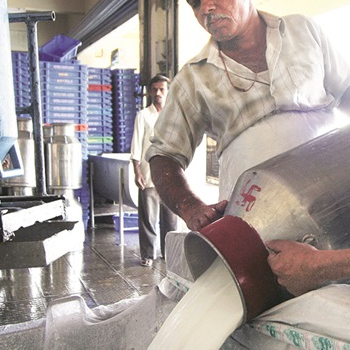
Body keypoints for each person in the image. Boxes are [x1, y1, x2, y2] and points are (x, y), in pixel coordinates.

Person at [146, 0, 350, 295]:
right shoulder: (193, 78)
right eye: (195, 4)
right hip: (257, 225)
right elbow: (163, 154)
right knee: (267, 302)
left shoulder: (304, 31)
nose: (206, 9)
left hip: (335, 198)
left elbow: (346, 93)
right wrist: (190, 207)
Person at [130, 75, 178, 267]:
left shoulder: (173, 116)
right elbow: (136, 145)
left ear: (168, 91)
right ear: (150, 92)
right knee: (148, 218)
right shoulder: (143, 115)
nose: (158, 93)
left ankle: (169, 253)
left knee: (171, 219)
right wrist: (137, 172)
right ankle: (148, 254)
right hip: (148, 174)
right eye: (155, 89)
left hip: (171, 175)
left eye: (162, 89)